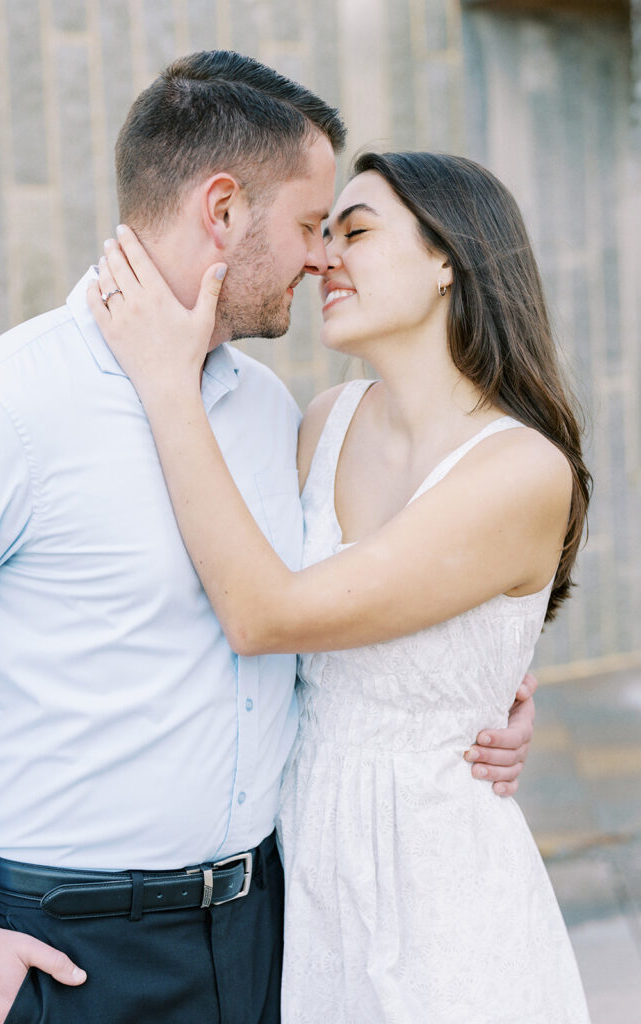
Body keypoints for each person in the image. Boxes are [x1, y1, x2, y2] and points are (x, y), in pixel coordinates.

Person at [0, 53, 533, 1024]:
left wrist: (482, 682)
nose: (324, 256)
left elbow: (342, 597)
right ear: (223, 210)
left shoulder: (272, 412)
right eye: (309, 225)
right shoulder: (1, 413)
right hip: (74, 955)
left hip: (273, 935)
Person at [88, 150, 592, 1021]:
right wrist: (490, 678)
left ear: (449, 260)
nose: (324, 258)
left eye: (354, 231)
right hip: (312, 884)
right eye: (322, 234)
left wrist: (165, 379)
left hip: (444, 893)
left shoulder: (520, 470)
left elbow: (263, 613)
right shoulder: (322, 422)